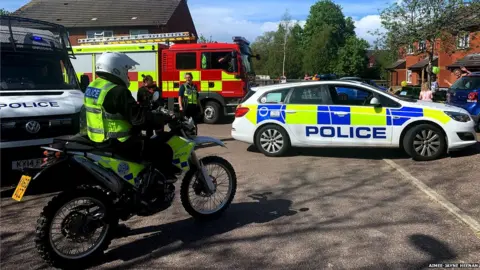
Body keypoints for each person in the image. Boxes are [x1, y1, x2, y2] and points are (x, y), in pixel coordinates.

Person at [84, 52, 174, 174]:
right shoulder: (118, 91)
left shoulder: (92, 86)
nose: (127, 75)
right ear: (116, 69)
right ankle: (154, 187)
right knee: (164, 149)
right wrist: (162, 119)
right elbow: (139, 119)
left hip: (96, 140)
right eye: (126, 71)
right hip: (120, 142)